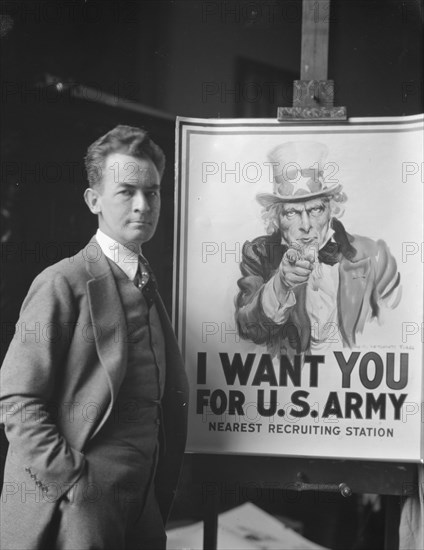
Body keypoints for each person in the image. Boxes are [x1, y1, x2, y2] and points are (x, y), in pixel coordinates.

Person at [0, 125, 189, 550]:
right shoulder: (61, 283)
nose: (143, 206)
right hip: (82, 502)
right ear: (94, 200)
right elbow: (17, 402)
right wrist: (74, 482)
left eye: (153, 192)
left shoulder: (148, 284)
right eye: (126, 191)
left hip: (144, 500)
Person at [235, 141, 401, 358]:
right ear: (275, 218)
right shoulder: (259, 253)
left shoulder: (374, 255)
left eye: (315, 210)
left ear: (331, 209)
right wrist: (280, 284)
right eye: (292, 213)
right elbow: (249, 328)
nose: (305, 225)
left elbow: (394, 330)